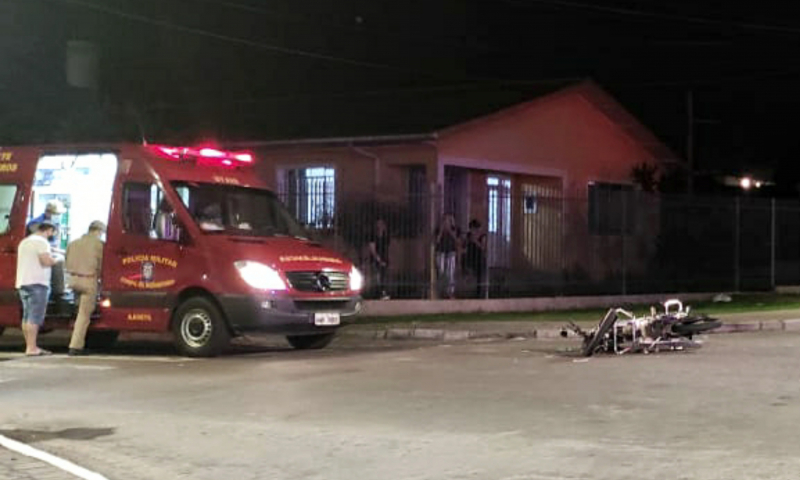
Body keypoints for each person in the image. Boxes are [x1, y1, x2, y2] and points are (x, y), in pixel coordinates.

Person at [16, 221, 62, 356]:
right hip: (38, 283)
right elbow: (46, 261)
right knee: (34, 317)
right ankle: (32, 348)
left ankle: (29, 346)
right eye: (53, 232)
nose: (52, 235)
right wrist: (58, 259)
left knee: (26, 316)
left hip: (23, 282)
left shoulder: (25, 242)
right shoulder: (42, 242)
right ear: (49, 230)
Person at [64, 220, 106, 356]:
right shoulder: (99, 245)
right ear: (99, 231)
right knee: (84, 315)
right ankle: (75, 346)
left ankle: (75, 339)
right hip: (88, 280)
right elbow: (102, 265)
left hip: (73, 280)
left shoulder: (73, 243)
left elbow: (66, 261)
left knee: (78, 313)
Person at [435, 213, 461, 299]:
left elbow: (458, 241)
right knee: (441, 271)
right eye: (445, 220)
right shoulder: (438, 229)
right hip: (441, 252)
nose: (447, 222)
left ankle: (450, 292)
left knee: (450, 273)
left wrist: (450, 231)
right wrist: (442, 231)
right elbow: (437, 241)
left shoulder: (455, 229)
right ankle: (440, 291)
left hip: (451, 252)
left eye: (449, 220)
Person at [463, 219, 487, 298]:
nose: (473, 231)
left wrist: (475, 241)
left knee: (479, 277)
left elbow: (483, 247)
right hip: (470, 256)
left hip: (479, 257)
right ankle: (468, 275)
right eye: (471, 229)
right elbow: (465, 245)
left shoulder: (482, 236)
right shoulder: (469, 235)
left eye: (474, 229)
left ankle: (479, 294)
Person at [368, 218, 391, 300]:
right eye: (379, 225)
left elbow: (387, 249)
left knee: (384, 277)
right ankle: (377, 294)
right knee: (377, 277)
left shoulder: (385, 236)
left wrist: (385, 260)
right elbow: (372, 250)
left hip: (384, 259)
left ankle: (383, 293)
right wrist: (379, 260)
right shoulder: (373, 236)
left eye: (382, 225)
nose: (381, 227)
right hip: (376, 260)